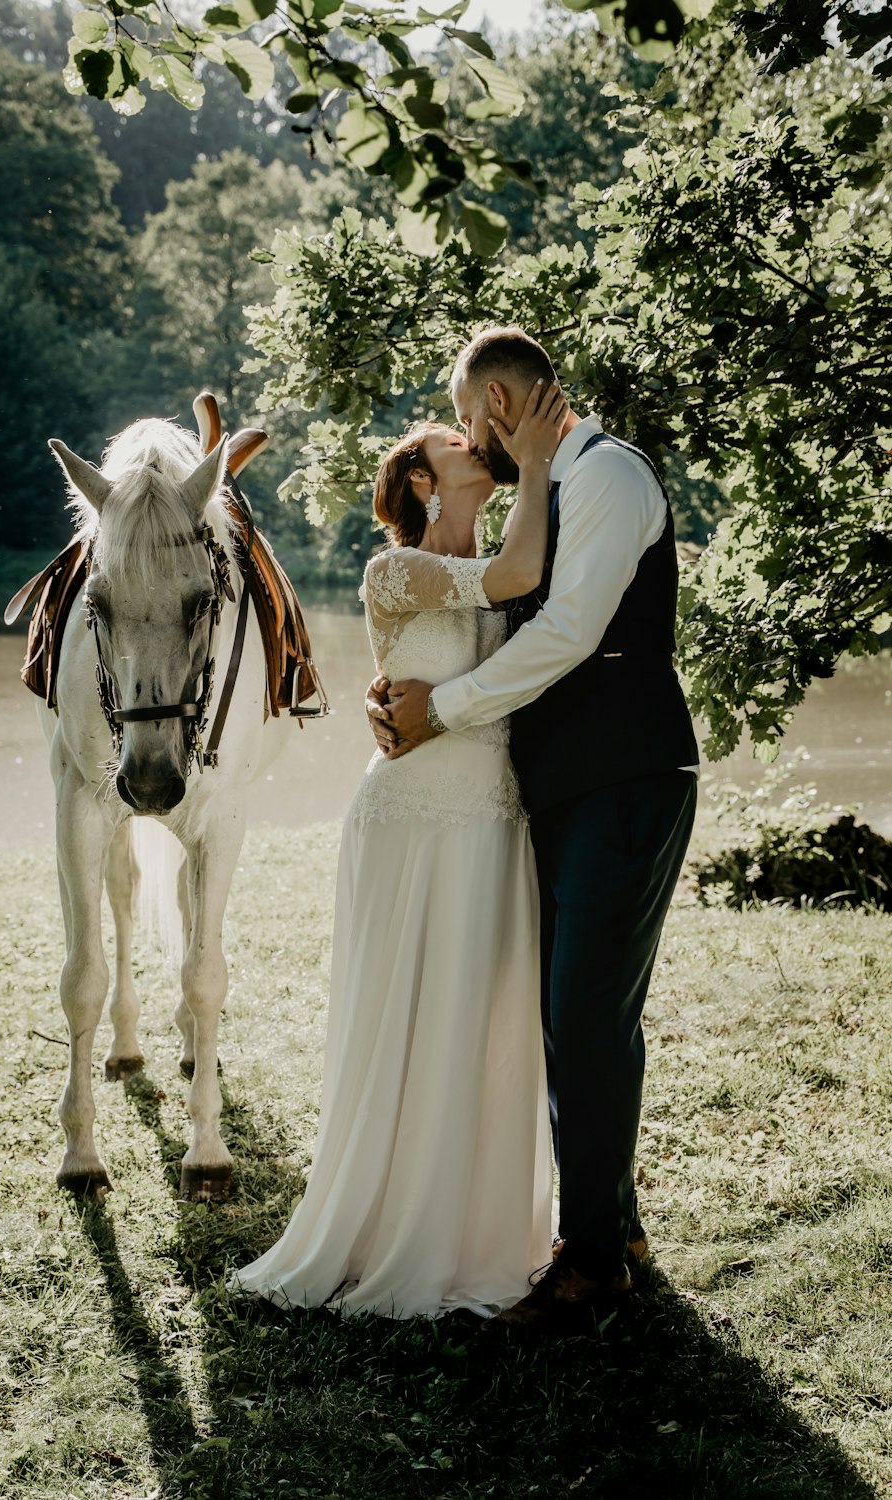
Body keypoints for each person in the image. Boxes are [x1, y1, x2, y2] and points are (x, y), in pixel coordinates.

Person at [374, 326, 699, 1328]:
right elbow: (488, 596)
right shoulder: (548, 493)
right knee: (583, 1018)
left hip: (625, 784)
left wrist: (445, 706)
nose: (469, 439)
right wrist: (395, 694)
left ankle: (592, 1262)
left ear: (501, 409)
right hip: (562, 794)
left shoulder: (606, 478)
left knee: (586, 1017)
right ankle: (615, 1227)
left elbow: (567, 633)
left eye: (472, 419)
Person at [231, 384, 569, 1318]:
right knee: (409, 1017)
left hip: (495, 820)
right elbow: (502, 582)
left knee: (483, 1021)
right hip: (414, 818)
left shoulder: (508, 557)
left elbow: (523, 612)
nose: (475, 441)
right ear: (422, 477)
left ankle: (473, 1229)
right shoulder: (396, 572)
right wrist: (534, 461)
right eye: (455, 440)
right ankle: (387, 1227)